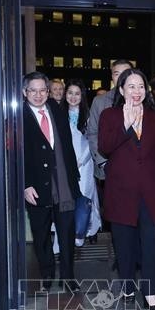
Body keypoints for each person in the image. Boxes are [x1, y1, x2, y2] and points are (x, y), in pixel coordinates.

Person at [98, 69, 155, 310]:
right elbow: (105, 147)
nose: (137, 91)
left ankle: (150, 292)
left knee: (151, 243)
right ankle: (128, 286)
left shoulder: (153, 116)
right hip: (121, 191)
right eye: (131, 86)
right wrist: (126, 126)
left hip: (150, 189)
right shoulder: (109, 115)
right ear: (121, 90)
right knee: (124, 244)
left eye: (141, 86)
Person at [22, 71, 81, 293]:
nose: (38, 95)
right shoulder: (19, 116)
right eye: (33, 91)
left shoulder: (57, 109)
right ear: (25, 92)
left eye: (42, 90)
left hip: (64, 184)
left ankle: (68, 277)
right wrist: (25, 184)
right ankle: (46, 274)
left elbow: (67, 146)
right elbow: (15, 154)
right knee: (41, 234)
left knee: (67, 233)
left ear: (48, 91)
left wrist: (74, 176)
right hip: (35, 186)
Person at [64, 79, 101, 245]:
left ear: (82, 96)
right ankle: (72, 231)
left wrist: (82, 160)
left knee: (86, 197)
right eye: (70, 93)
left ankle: (90, 230)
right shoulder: (59, 114)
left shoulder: (88, 115)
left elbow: (93, 141)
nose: (73, 97)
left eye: (77, 94)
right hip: (65, 164)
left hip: (84, 163)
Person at [86, 59, 133, 182]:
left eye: (126, 73)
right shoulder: (100, 101)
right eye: (117, 74)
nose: (122, 77)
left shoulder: (141, 99)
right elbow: (92, 133)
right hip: (108, 166)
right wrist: (103, 163)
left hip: (136, 167)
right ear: (112, 76)